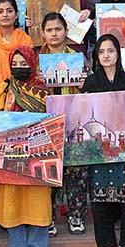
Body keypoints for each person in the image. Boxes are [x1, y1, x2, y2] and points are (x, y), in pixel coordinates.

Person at [0, 46, 51, 247]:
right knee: (12, 205)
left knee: (38, 206)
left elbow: (52, 121)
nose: (20, 67)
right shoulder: (5, 88)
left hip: (37, 157)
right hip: (9, 159)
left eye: (25, 63)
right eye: (16, 63)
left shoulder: (43, 91)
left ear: (33, 63)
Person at [81, 35, 125, 247]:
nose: (106, 55)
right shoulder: (91, 82)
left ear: (118, 53)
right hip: (99, 152)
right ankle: (109, 246)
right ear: (96, 56)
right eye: (101, 52)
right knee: (99, 200)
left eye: (110, 50)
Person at [36, 13, 88, 235]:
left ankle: (76, 216)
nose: (54, 33)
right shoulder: (36, 60)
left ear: (66, 31)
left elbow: (89, 91)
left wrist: (86, 81)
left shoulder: (77, 57)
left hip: (73, 120)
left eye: (58, 29)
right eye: (49, 30)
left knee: (75, 171)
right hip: (45, 122)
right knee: (47, 171)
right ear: (43, 33)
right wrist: (36, 80)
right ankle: (47, 218)